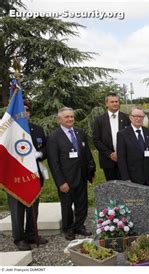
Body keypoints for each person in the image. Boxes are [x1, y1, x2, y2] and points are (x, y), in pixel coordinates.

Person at [47, 107, 95, 240]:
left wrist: (91, 171)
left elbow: (87, 154)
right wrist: (60, 182)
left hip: (81, 175)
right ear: (59, 120)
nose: (70, 119)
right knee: (67, 205)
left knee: (82, 203)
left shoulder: (80, 132)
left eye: (72, 116)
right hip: (66, 179)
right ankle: (68, 229)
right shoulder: (53, 137)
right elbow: (53, 162)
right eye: (66, 117)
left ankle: (79, 226)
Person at [7, 101, 48, 251]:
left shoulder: (37, 129)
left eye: (27, 110)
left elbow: (45, 146)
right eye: (21, 110)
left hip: (34, 175)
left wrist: (40, 153)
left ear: (29, 113)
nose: (24, 113)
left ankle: (31, 234)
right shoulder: (8, 131)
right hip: (15, 177)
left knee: (33, 207)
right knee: (17, 209)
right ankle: (19, 238)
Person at [92, 93, 130, 181]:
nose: (115, 104)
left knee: (126, 186)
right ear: (106, 104)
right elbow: (96, 140)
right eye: (112, 102)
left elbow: (130, 137)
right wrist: (110, 154)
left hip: (124, 159)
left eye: (116, 101)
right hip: (108, 160)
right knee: (112, 187)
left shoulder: (126, 118)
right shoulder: (99, 120)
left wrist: (121, 153)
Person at [116, 106, 149, 186]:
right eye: (135, 116)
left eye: (141, 116)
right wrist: (126, 179)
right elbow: (121, 159)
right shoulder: (122, 134)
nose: (138, 118)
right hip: (132, 178)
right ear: (130, 117)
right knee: (135, 199)